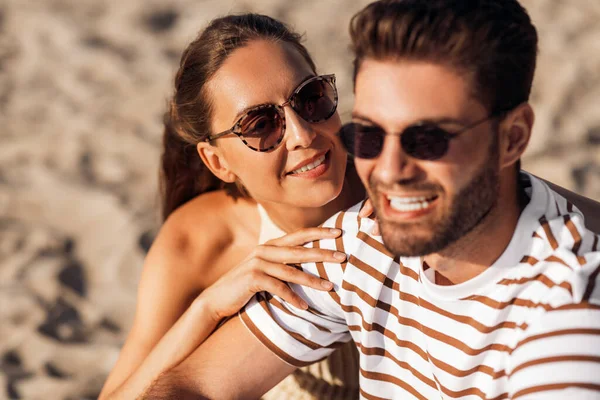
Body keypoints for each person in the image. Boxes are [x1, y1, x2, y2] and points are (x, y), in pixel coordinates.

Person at [140, 1, 600, 399]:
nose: (389, 170)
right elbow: (192, 386)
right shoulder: (359, 241)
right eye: (372, 133)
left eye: (428, 138)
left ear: (512, 139)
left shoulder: (564, 319)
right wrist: (207, 308)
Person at [98, 14, 365, 400]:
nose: (303, 134)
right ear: (217, 162)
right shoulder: (202, 241)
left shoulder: (395, 180)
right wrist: (206, 310)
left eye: (310, 98)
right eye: (259, 125)